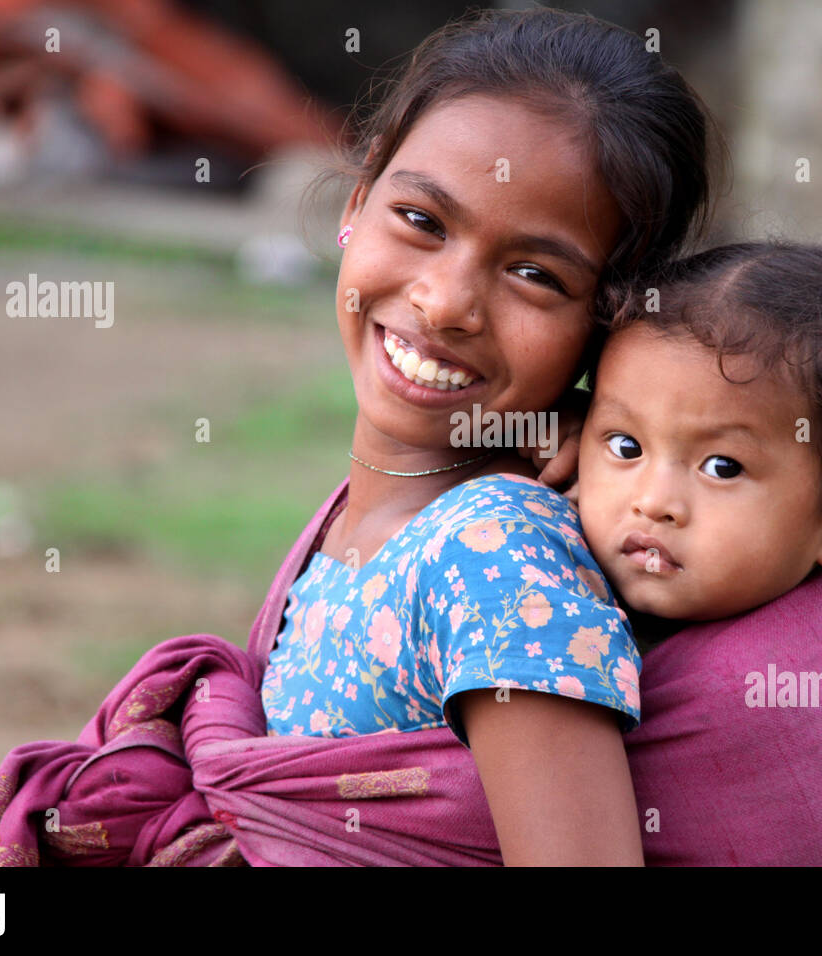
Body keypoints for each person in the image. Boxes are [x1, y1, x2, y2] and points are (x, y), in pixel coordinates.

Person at [255, 6, 713, 865]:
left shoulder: (495, 555)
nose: (445, 303)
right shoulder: (357, 520)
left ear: (607, 324)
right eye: (422, 221)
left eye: (535, 275)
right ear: (358, 201)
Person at [571, 241, 822, 864]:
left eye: (721, 466)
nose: (653, 501)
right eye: (624, 446)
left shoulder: (766, 692)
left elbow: (494, 815)